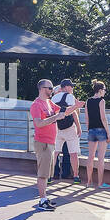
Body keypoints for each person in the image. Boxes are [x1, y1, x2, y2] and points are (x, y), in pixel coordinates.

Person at [30, 78, 65, 211]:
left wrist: (75, 106)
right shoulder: (36, 105)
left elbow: (63, 112)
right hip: (42, 142)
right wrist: (55, 117)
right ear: (42, 89)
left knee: (47, 173)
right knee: (43, 173)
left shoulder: (49, 103)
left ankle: (44, 198)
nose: (52, 90)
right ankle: (42, 200)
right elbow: (38, 123)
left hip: (50, 142)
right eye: (49, 88)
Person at [51, 79, 85, 184]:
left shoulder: (53, 97)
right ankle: (76, 176)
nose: (72, 88)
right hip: (69, 128)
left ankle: (50, 175)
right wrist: (77, 106)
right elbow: (71, 112)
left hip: (57, 127)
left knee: (55, 153)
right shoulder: (69, 96)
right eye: (71, 86)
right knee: (73, 153)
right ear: (66, 87)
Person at [85, 80, 110, 189]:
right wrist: (108, 133)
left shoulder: (88, 101)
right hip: (101, 131)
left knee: (90, 157)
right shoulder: (102, 101)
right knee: (101, 158)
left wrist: (89, 130)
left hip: (91, 130)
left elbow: (87, 119)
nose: (105, 92)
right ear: (100, 90)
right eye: (104, 90)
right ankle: (100, 184)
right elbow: (103, 118)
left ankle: (89, 182)